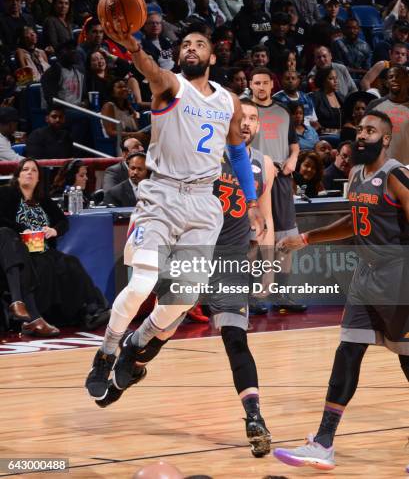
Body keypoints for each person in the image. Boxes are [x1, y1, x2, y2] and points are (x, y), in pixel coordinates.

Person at [85, 28, 266, 400]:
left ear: (212, 57)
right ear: (178, 55)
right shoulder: (170, 85)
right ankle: (105, 354)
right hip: (162, 196)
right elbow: (149, 68)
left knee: (183, 298)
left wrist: (250, 203)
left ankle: (137, 343)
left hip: (203, 203)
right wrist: (133, 46)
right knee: (141, 285)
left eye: (200, 44)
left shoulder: (228, 101)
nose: (191, 49)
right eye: (185, 44)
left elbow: (236, 154)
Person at [93, 99, 275, 458]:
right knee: (162, 332)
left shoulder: (264, 166)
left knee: (235, 339)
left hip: (229, 262)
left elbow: (263, 220)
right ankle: (127, 364)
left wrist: (265, 267)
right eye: (242, 117)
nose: (246, 123)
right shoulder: (199, 154)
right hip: (192, 251)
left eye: (253, 118)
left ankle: (255, 418)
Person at [274, 111, 409, 472]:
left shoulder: (396, 175)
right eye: (360, 129)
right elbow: (352, 222)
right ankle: (323, 442)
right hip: (366, 278)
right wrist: (306, 238)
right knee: (347, 354)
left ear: (386, 138)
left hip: (399, 280)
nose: (362, 135)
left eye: (371, 131)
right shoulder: (355, 175)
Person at [0, 158, 110, 330]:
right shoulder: (6, 194)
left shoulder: (43, 200)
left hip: (42, 248)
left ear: (38, 179)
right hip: (18, 249)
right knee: (44, 266)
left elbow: (62, 221)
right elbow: (2, 220)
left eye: (34, 171)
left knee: (70, 263)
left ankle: (92, 309)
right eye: (25, 170)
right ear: (18, 176)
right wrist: (23, 230)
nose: (29, 173)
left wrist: (54, 231)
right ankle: (36, 316)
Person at [249, 68, 306, 312]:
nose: (261, 87)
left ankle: (282, 294)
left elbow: (295, 146)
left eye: (265, 82)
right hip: (253, 177)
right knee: (255, 236)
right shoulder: (244, 110)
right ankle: (254, 295)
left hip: (281, 179)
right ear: (250, 85)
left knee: (285, 235)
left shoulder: (283, 111)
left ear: (272, 85)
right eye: (256, 83)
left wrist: (293, 159)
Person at [366, 64, 409, 164]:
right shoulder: (375, 105)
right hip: (381, 165)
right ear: (386, 83)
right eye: (391, 77)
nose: (394, 79)